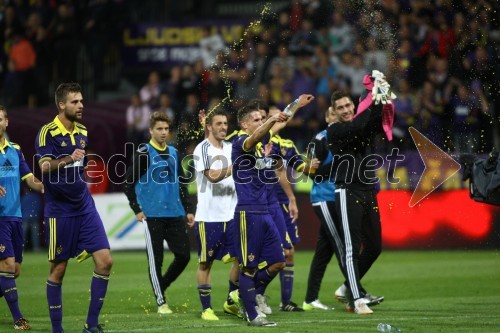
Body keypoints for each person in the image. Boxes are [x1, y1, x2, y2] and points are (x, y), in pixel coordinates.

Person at [35, 83, 113, 333]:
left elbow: (78, 166)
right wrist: (70, 158)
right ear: (61, 105)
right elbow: (45, 168)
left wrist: (76, 163)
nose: (81, 105)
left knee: (105, 261)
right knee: (58, 269)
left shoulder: (82, 130)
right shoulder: (46, 133)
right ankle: (57, 330)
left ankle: (91, 325)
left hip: (84, 206)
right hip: (60, 211)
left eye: (81, 101)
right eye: (75, 102)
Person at [230, 95, 314, 327]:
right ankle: (251, 314)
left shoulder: (261, 143)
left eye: (261, 118)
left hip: (266, 211)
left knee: (279, 261)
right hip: (248, 212)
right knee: (248, 266)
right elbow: (260, 132)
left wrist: (296, 103)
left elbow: (280, 123)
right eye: (256, 119)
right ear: (245, 124)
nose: (260, 122)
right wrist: (269, 120)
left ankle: (247, 296)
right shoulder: (241, 143)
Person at [326, 75, 390, 315]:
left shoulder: (358, 123)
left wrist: (381, 94)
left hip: (368, 191)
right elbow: (360, 124)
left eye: (347, 105)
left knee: (374, 247)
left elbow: (375, 120)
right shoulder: (335, 130)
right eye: (340, 107)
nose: (345, 110)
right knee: (352, 247)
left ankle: (345, 288)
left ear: (353, 105)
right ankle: (357, 299)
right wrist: (369, 96)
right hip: (347, 191)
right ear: (334, 112)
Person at [123, 111, 194, 315]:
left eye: (166, 129)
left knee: (184, 256)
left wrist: (188, 209)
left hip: (175, 213)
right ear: (151, 131)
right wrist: (136, 209)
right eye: (159, 129)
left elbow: (182, 184)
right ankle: (161, 302)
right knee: (156, 260)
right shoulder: (144, 152)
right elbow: (128, 182)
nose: (164, 132)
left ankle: (160, 285)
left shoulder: (173, 152)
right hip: (152, 214)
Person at [192, 109, 239, 320]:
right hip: (209, 216)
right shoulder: (201, 149)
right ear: (209, 126)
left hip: (232, 215)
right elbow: (211, 176)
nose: (223, 127)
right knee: (205, 263)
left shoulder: (231, 147)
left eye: (225, 123)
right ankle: (206, 308)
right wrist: (233, 167)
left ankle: (231, 300)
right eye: (218, 123)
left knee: (242, 258)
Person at [0, 105, 43, 330]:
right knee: (6, 266)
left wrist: (44, 187)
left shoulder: (15, 150)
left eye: (0, 119)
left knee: (13, 271)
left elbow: (28, 178)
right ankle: (19, 319)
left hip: (15, 217)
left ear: (6, 123)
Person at [303, 106, 338, 311]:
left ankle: (310, 298)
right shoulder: (320, 139)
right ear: (327, 118)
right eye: (332, 113)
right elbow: (312, 173)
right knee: (343, 245)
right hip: (325, 196)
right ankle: (355, 292)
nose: (337, 117)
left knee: (324, 250)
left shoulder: (345, 137)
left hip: (340, 197)